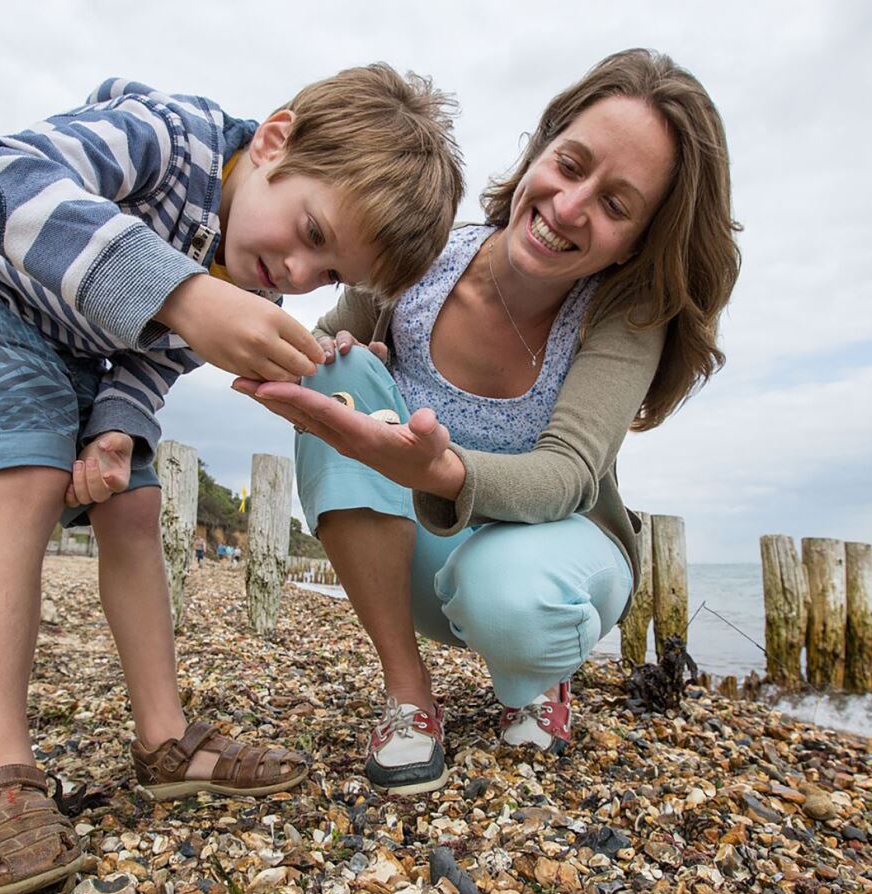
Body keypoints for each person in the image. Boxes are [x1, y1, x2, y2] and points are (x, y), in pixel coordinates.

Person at [0, 66, 463, 894]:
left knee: (136, 499)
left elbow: (149, 358)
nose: (295, 272)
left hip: (64, 337)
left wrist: (116, 428)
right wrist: (186, 293)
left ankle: (167, 739)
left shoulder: (245, 269)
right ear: (274, 140)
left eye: (325, 275)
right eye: (310, 231)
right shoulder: (166, 135)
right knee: (32, 467)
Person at [237, 48, 739, 795]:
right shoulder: (425, 256)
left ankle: (537, 680)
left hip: (547, 557)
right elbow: (311, 345)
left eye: (616, 205)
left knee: (507, 590)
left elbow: (568, 474)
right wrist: (333, 351)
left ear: (641, 238)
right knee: (335, 374)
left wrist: (440, 470)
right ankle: (409, 695)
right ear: (540, 148)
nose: (570, 208)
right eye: (570, 166)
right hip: (417, 555)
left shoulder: (625, 318)